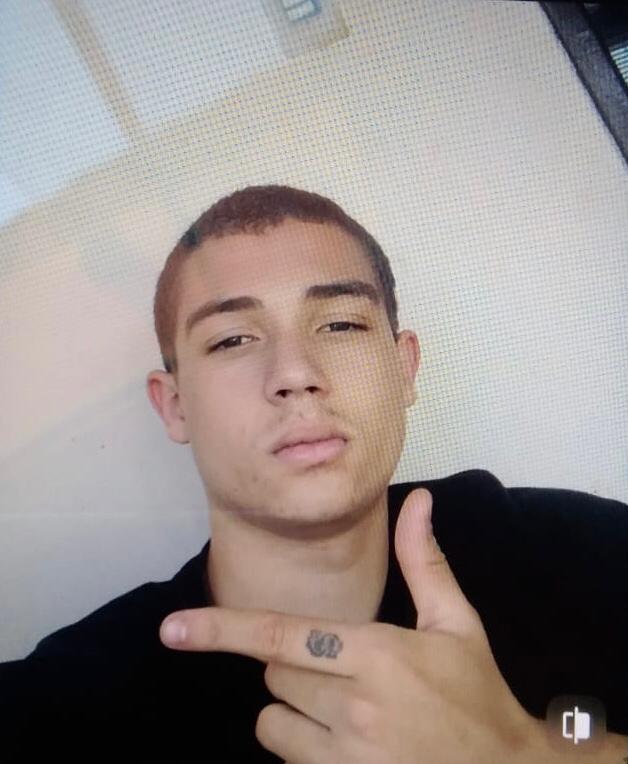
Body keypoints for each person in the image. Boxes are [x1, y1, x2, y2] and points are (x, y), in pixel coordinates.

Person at [1, 185, 627, 763]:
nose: (295, 373)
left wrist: (529, 751)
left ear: (404, 367)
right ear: (175, 405)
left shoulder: (579, 553)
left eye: (340, 324)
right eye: (232, 340)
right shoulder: (68, 704)